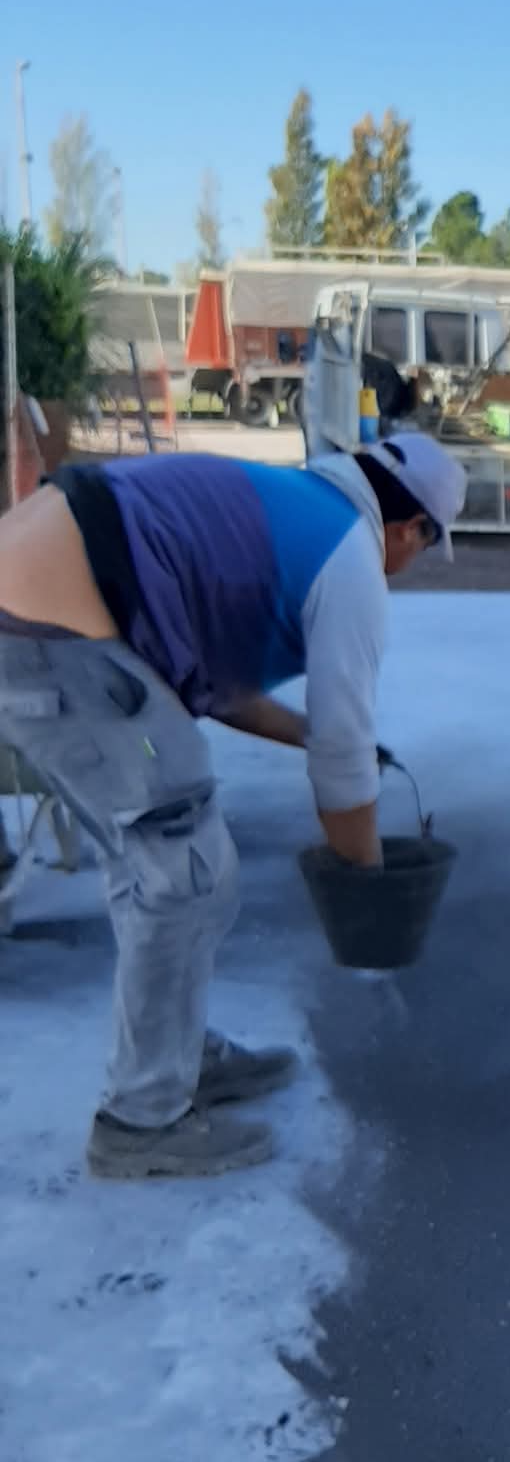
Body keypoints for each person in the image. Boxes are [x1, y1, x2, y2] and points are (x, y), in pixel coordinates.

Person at [0, 434, 466, 1182]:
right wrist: (366, 882)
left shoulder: (297, 512)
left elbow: (220, 689)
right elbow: (342, 760)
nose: (410, 567)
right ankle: (141, 1121)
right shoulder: (350, 559)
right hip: (50, 636)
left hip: (40, 610)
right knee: (183, 866)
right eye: (423, 550)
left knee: (152, 864)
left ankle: (174, 1057)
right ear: (411, 529)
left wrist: (309, 732)